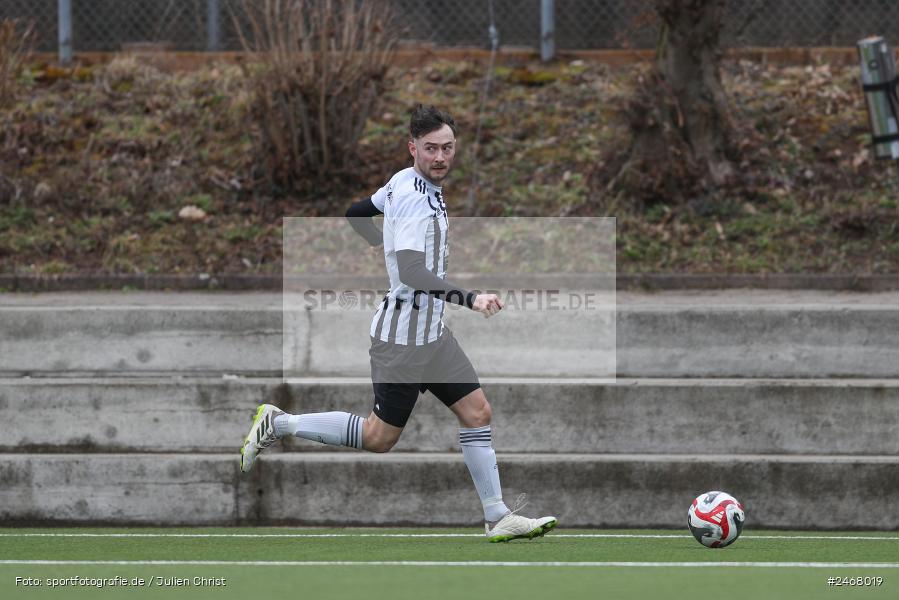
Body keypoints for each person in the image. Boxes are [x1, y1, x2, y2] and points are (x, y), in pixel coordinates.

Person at [240, 104, 557, 542]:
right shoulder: (413, 198)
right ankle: (278, 423)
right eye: (430, 149)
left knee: (477, 412)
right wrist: (470, 298)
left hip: (432, 334)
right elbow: (410, 272)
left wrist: (380, 242)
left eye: (447, 148)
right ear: (413, 148)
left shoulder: (403, 180)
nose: (440, 157)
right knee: (379, 437)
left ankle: (497, 515)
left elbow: (356, 212)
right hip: (402, 340)